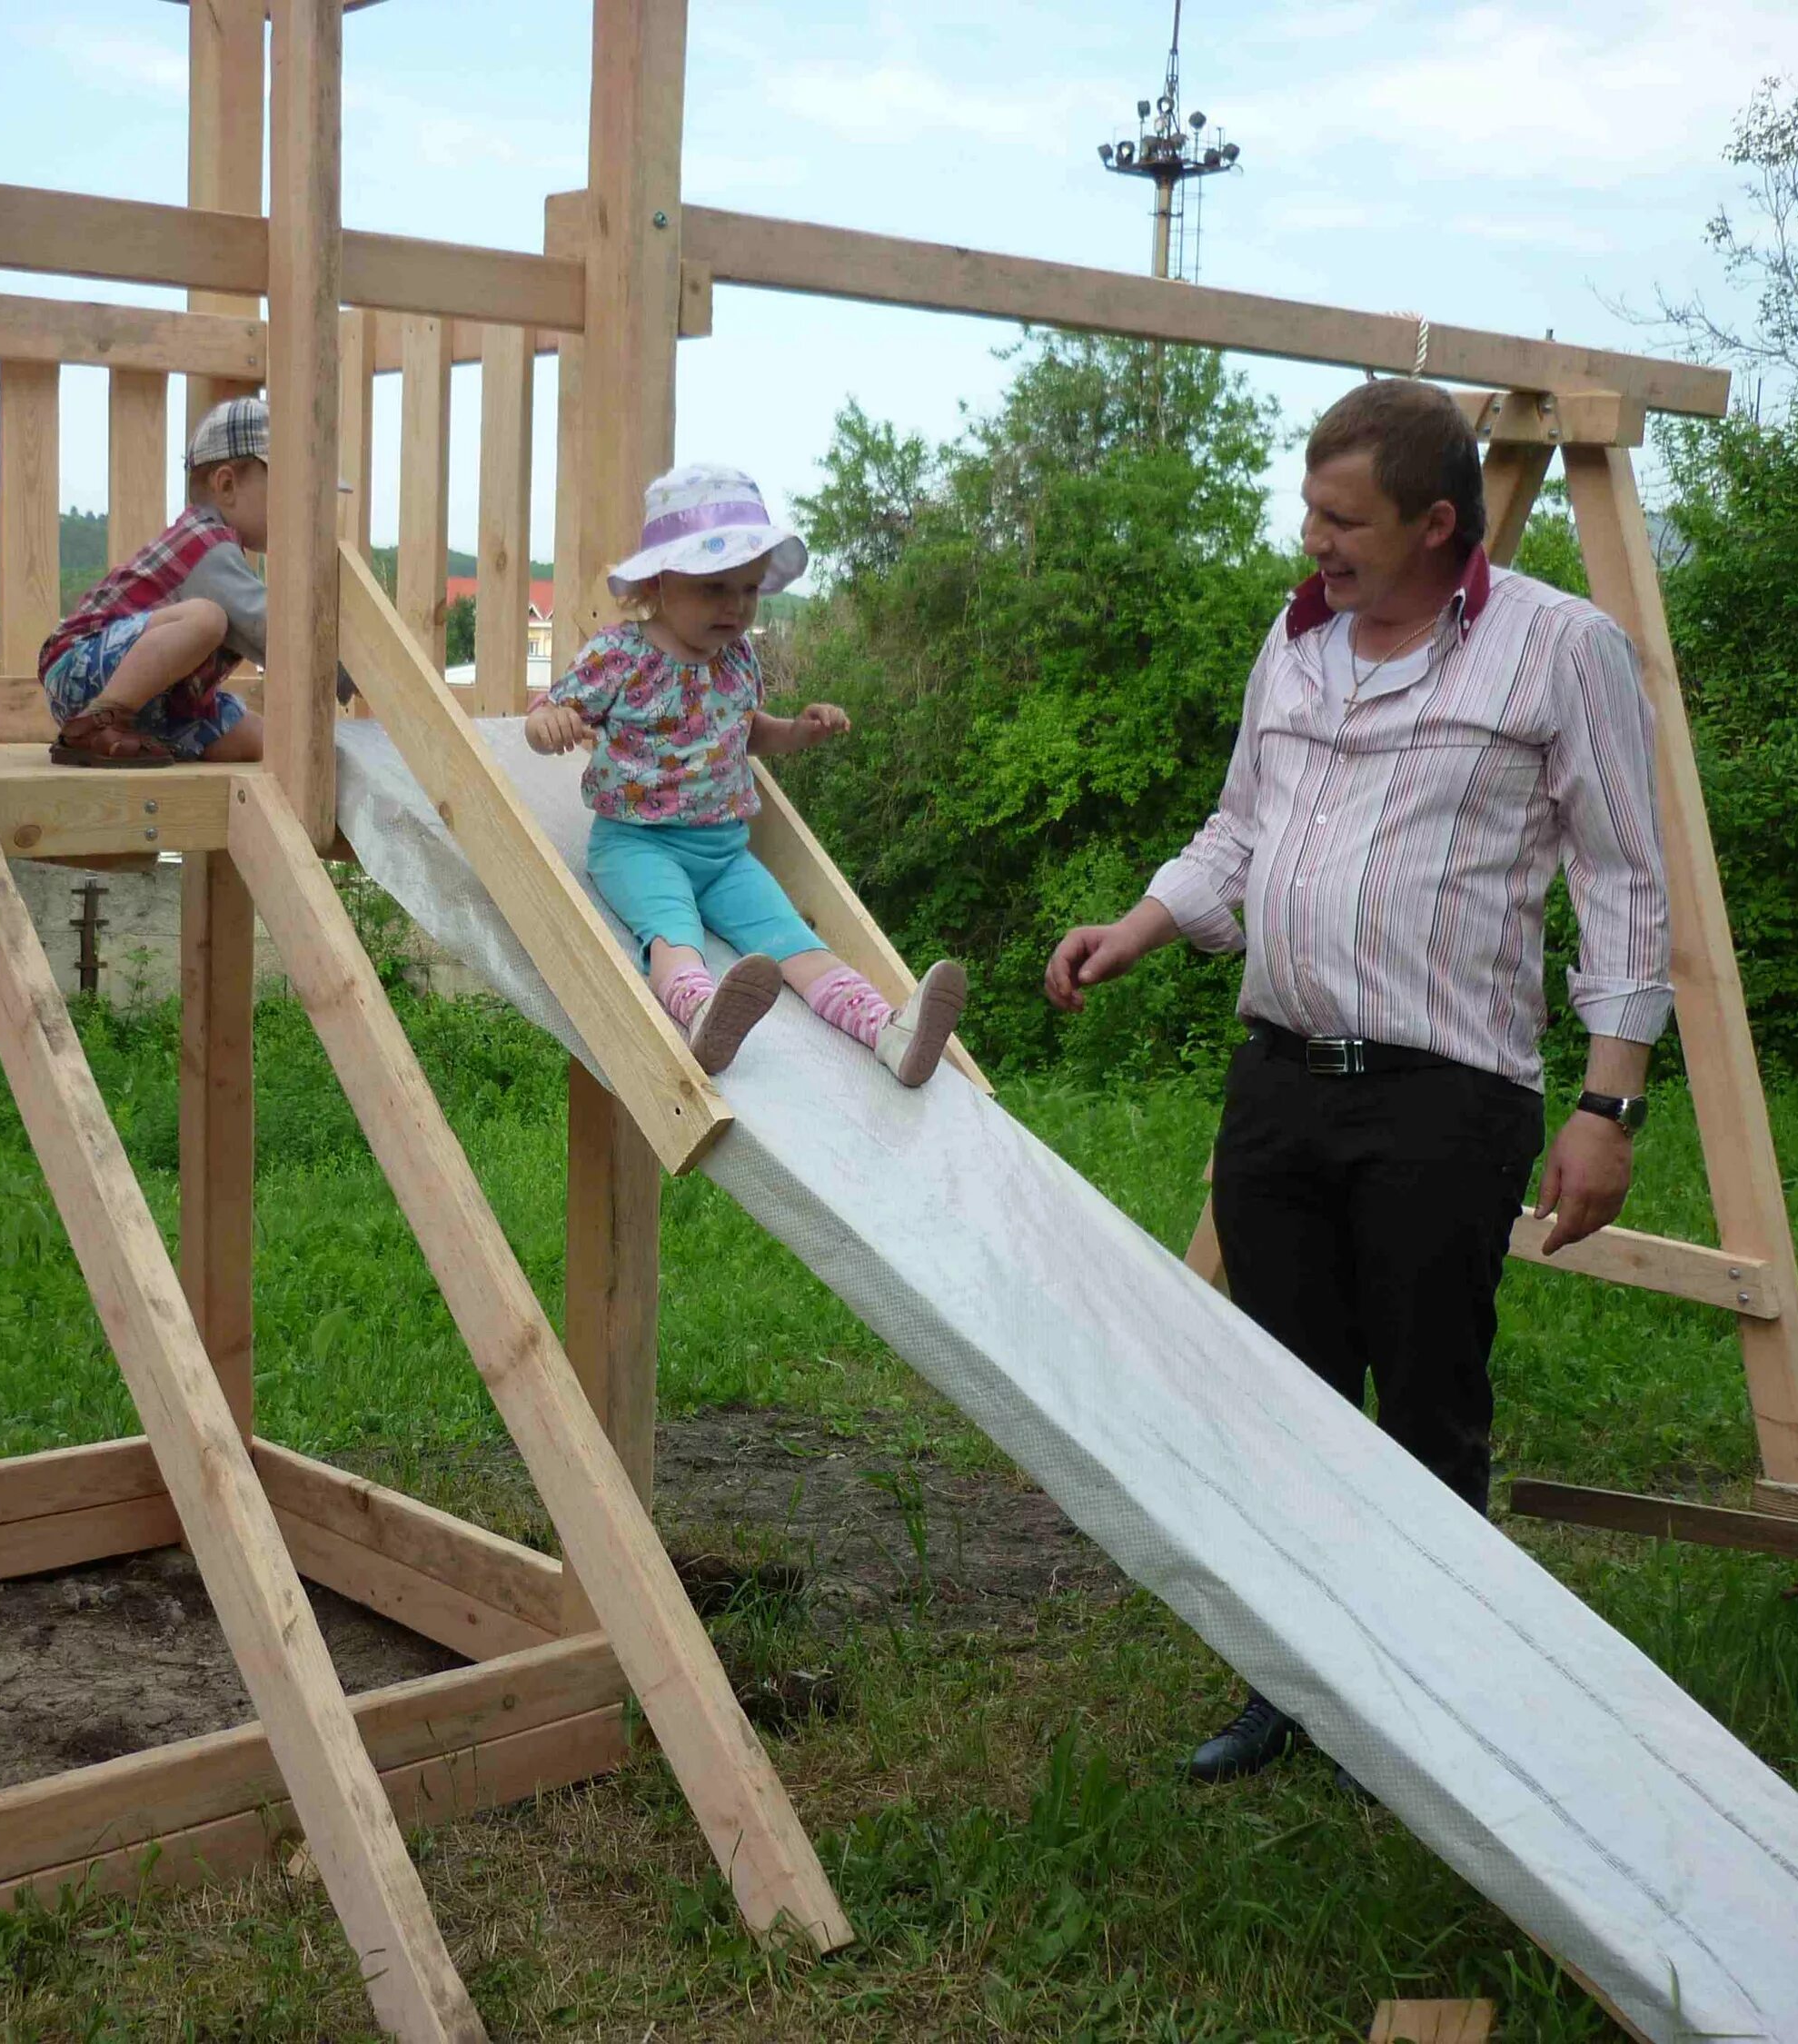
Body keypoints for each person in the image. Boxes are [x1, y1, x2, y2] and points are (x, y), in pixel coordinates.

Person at [1041, 379, 1672, 1786]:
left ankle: (1433, 1706)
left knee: (1427, 1403)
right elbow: (1242, 825)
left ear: (1440, 523)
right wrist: (1138, 928)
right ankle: (1296, 1683)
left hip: (1443, 1097)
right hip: (1280, 1082)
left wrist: (1608, 1104)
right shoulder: (1298, 638)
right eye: (1310, 506)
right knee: (1282, 1396)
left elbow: (1627, 879)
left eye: (1345, 517)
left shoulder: (1558, 649)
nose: (1313, 537)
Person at [529, 462, 969, 1081]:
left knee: (796, 942)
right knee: (673, 932)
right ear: (660, 580)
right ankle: (703, 1013)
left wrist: (798, 732)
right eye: (715, 589)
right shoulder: (619, 655)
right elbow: (552, 714)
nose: (735, 606)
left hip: (725, 855)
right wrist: (546, 724)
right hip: (638, 846)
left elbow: (745, 731)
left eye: (749, 589)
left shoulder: (737, 659)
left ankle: (888, 1032)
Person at [35, 395, 278, 769]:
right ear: (226, 485)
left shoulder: (227, 551)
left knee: (261, 739)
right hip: (79, 670)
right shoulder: (206, 544)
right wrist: (350, 666)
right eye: (285, 490)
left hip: (162, 702)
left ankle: (125, 734)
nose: (297, 510)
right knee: (205, 618)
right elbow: (269, 630)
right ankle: (98, 725)